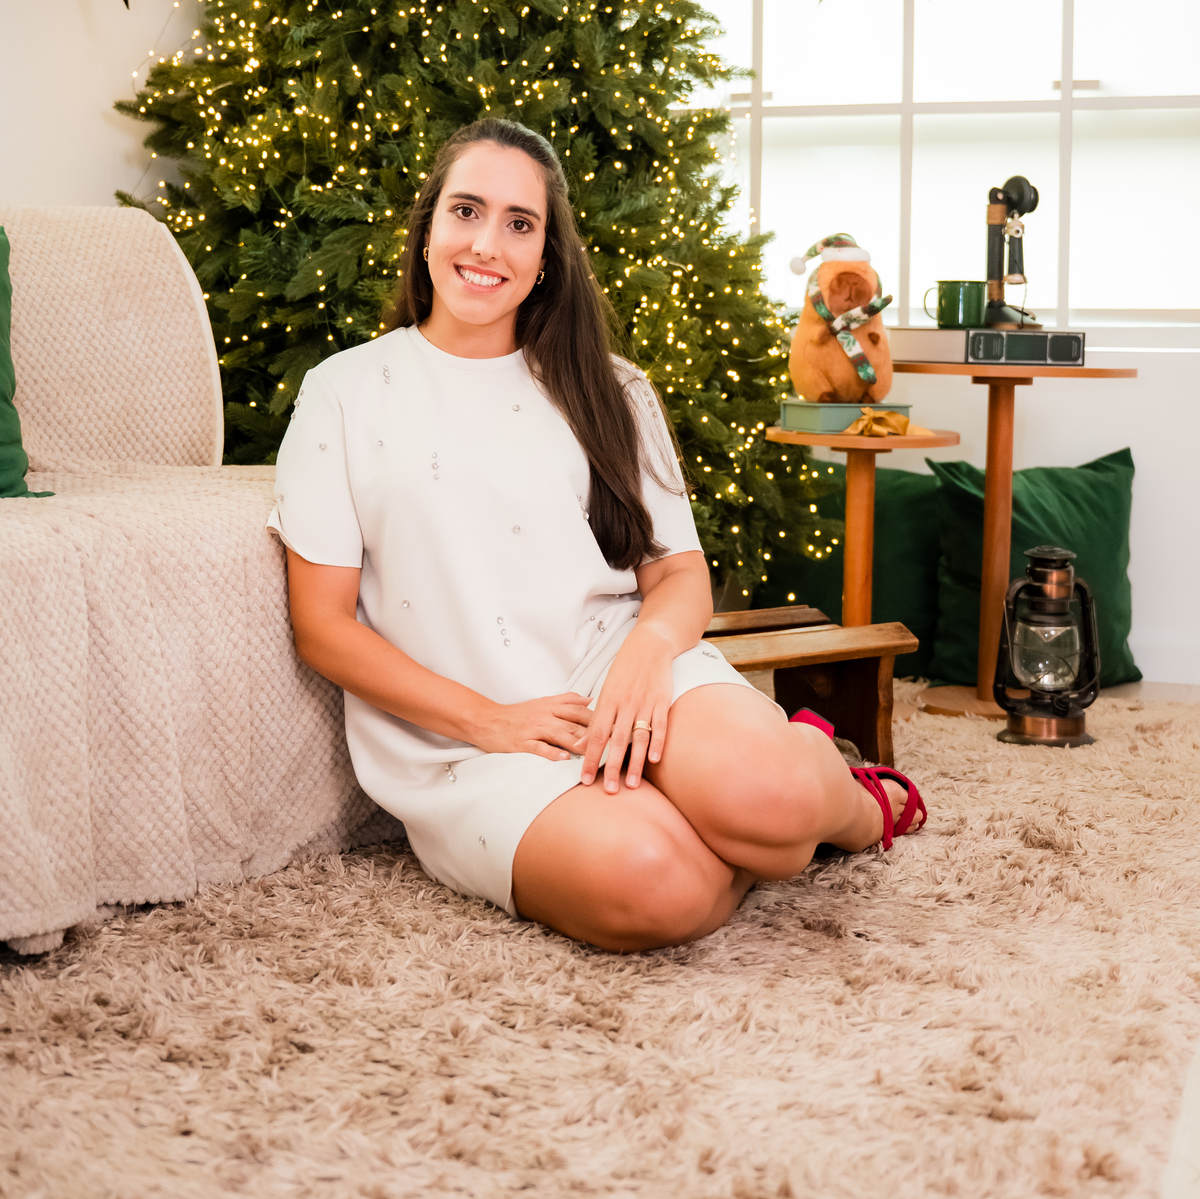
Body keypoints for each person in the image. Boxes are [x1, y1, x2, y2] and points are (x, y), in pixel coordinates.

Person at [270, 118, 925, 952]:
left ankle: (853, 798)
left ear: (547, 256)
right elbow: (322, 626)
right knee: (661, 884)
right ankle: (734, 818)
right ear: (427, 226)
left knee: (779, 803)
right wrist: (490, 722)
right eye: (466, 211)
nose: (487, 244)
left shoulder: (610, 387)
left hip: (629, 671)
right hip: (470, 744)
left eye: (520, 223)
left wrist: (647, 656)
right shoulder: (342, 392)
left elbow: (679, 574)